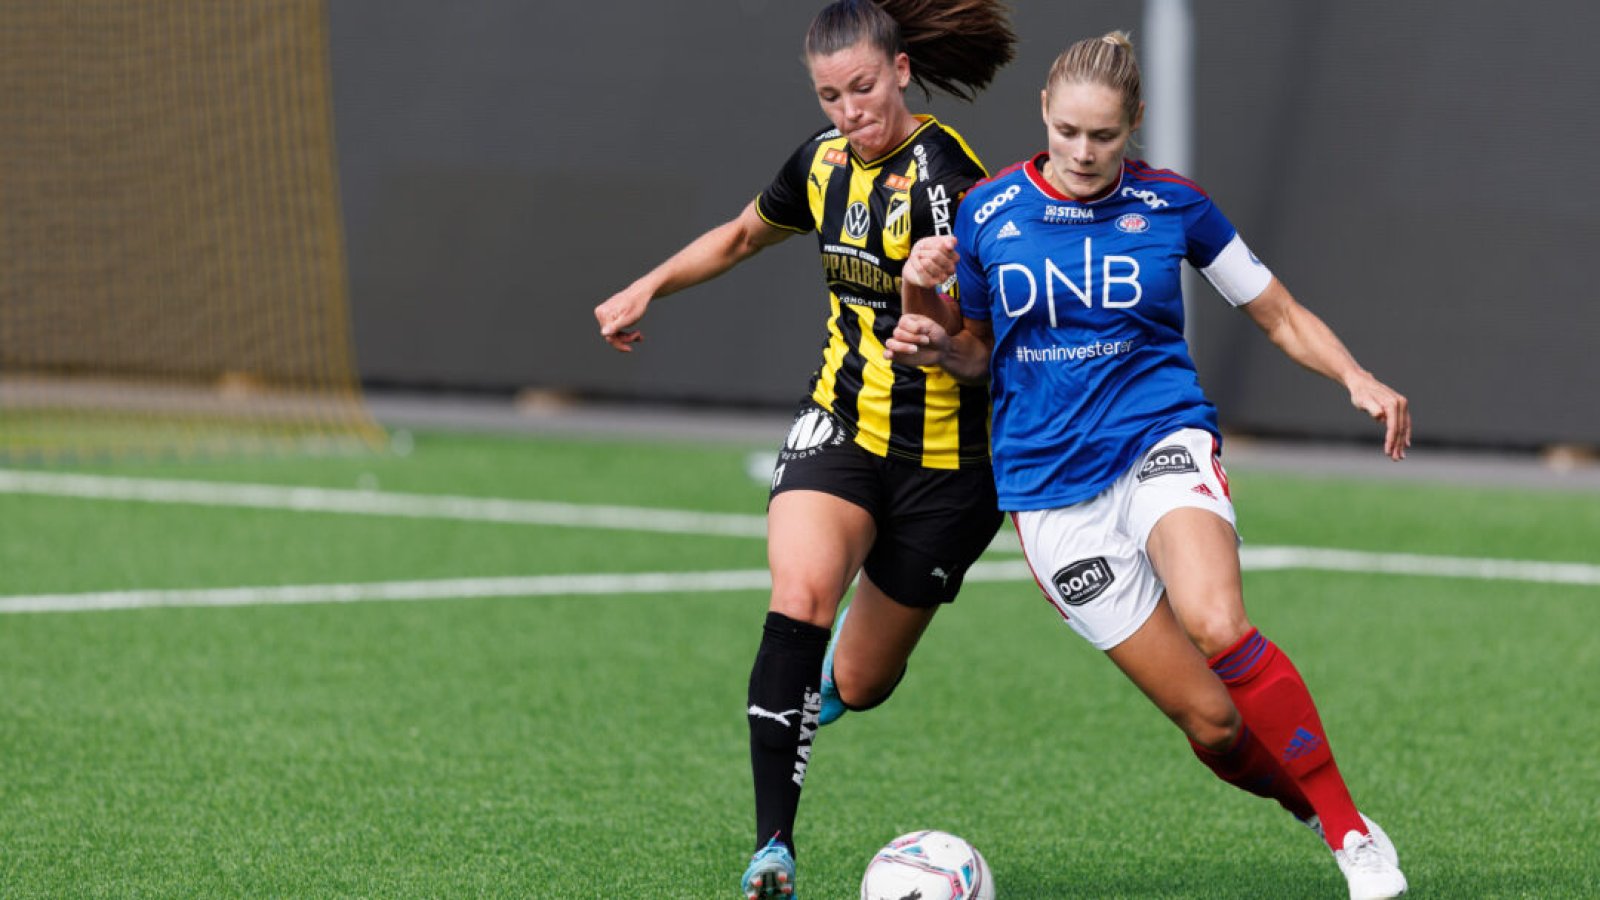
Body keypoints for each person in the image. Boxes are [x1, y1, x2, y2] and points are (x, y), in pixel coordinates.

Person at [886, 31, 1411, 900]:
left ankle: (1354, 836)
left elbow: (1275, 310)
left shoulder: (1177, 206)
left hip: (1157, 438)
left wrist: (1354, 375)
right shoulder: (985, 212)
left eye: (1103, 136)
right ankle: (1316, 813)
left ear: (1134, 124)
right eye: (1067, 133)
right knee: (1211, 723)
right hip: (1049, 492)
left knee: (1217, 622)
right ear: (1045, 119)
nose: (1083, 153)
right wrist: (938, 343)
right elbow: (979, 353)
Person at [593, 2, 1014, 896]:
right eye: (830, 95)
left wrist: (931, 323)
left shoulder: (950, 181)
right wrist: (648, 286)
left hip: (949, 464)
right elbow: (746, 234)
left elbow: (984, 349)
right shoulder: (819, 164)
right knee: (800, 594)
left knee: (860, 679)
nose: (849, 109)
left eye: (863, 87)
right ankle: (772, 848)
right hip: (843, 425)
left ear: (900, 73)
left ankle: (824, 687)